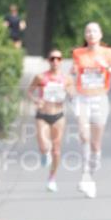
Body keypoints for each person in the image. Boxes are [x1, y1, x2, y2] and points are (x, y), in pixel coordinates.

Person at [70, 22, 111, 199]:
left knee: (95, 144)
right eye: (88, 31)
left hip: (100, 98)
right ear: (85, 35)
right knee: (84, 136)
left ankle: (92, 170)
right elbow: (73, 74)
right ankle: (85, 176)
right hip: (82, 98)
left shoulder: (108, 53)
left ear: (100, 34)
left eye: (94, 31)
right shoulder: (78, 53)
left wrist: (106, 66)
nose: (91, 34)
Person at [27, 49, 73, 192]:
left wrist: (71, 94)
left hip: (58, 115)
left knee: (56, 150)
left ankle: (52, 178)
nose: (55, 61)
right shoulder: (40, 77)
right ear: (48, 60)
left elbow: (73, 94)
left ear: (61, 61)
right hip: (43, 114)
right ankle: (44, 153)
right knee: (44, 146)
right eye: (52, 58)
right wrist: (36, 100)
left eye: (58, 58)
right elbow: (29, 91)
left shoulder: (67, 78)